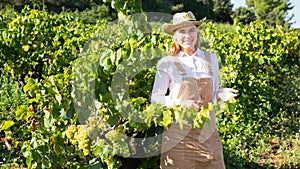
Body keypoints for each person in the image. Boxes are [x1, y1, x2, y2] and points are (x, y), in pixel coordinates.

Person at [151, 11, 238, 169]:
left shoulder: (211, 58)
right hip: (178, 137)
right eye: (181, 31)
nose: (187, 36)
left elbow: (212, 95)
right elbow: (156, 97)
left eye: (192, 30)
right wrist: (180, 102)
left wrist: (220, 94)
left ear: (197, 32)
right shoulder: (167, 63)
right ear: (175, 36)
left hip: (207, 134)